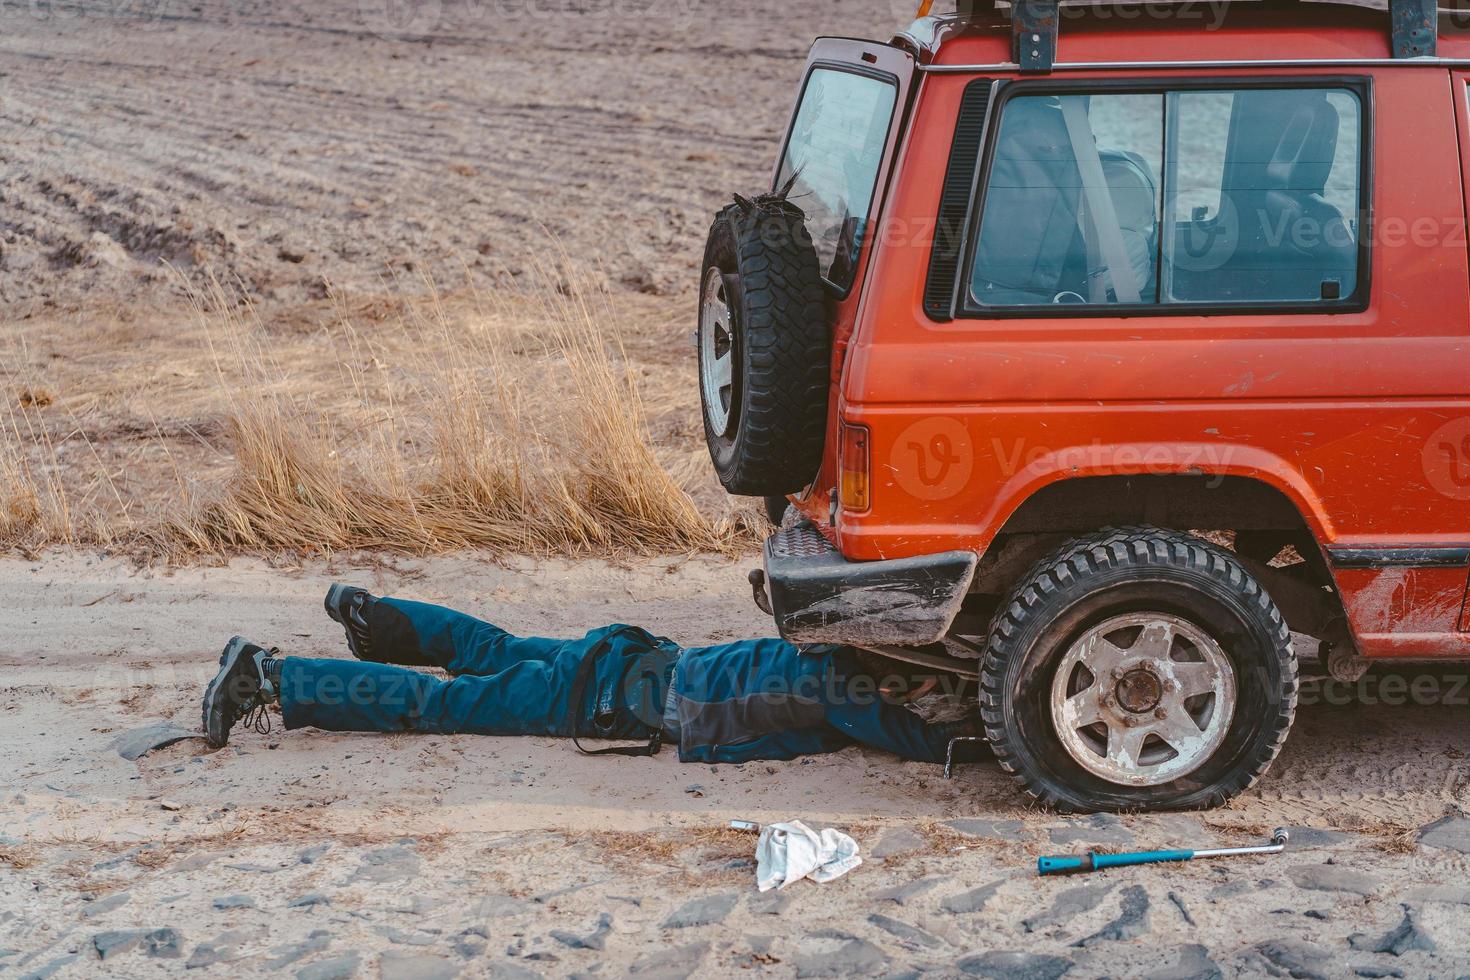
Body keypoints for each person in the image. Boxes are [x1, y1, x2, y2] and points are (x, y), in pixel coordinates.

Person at [201, 584, 974, 765]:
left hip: (620, 653)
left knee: (493, 650)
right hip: (605, 697)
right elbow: (900, 734)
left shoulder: (813, 646)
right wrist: (968, 745)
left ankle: (377, 616)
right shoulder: (837, 689)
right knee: (442, 703)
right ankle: (272, 676)